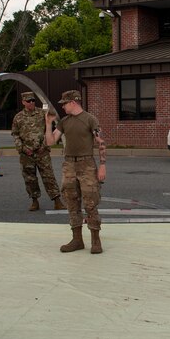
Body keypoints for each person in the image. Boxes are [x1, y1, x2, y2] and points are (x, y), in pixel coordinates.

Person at [56, 90, 107, 254]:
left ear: (73, 102)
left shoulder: (90, 119)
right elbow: (50, 141)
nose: (62, 107)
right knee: (71, 201)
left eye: (64, 103)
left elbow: (101, 141)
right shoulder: (64, 122)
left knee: (90, 202)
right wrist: (47, 123)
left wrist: (102, 165)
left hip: (87, 164)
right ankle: (77, 240)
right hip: (69, 164)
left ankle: (95, 240)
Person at [10, 92, 63, 213]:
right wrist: (22, 148)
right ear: (23, 102)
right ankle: (34, 200)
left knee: (48, 176)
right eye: (28, 101)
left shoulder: (42, 114)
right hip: (26, 153)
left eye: (33, 100)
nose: (31, 103)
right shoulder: (18, 117)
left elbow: (49, 129)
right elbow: (15, 134)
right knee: (30, 178)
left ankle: (57, 200)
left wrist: (44, 145)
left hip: (42, 152)